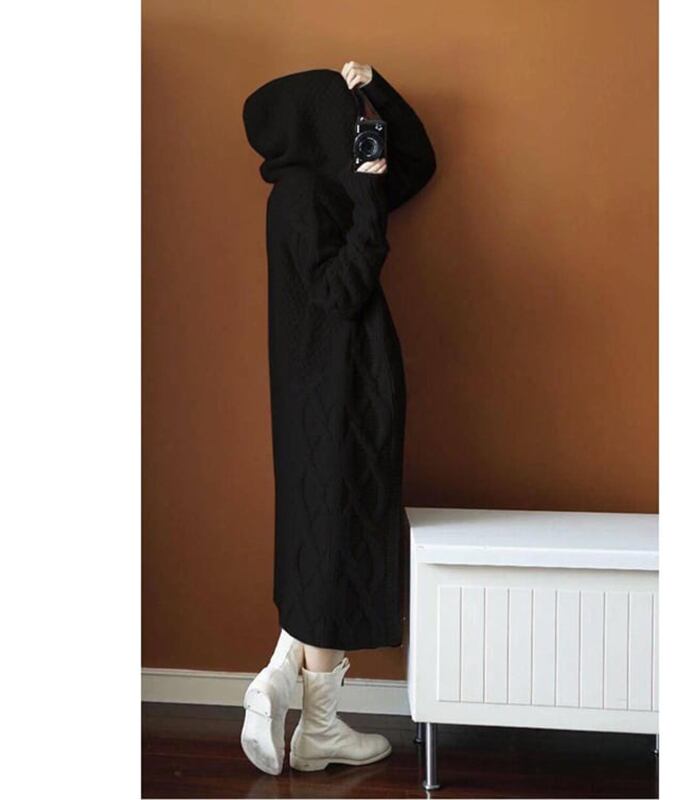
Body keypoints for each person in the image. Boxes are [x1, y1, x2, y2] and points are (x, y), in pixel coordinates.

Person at [239, 61, 436, 774]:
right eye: (339, 111)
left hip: (326, 391)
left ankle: (288, 693)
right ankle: (305, 713)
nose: (350, 123)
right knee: (336, 534)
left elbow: (416, 163)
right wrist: (370, 217)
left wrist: (374, 89)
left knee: (328, 532)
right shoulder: (302, 201)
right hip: (336, 392)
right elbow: (344, 290)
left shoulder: (325, 186)